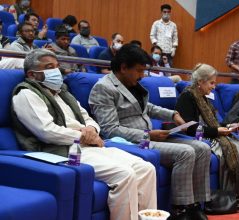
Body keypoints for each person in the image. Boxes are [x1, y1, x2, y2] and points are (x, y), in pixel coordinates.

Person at [11, 48, 157, 220]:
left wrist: (92, 130)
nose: (56, 71)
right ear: (32, 74)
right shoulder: (26, 94)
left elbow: (88, 118)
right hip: (63, 150)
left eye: (57, 66)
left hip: (89, 144)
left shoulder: (63, 93)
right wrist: (82, 135)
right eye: (49, 67)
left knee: (146, 169)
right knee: (124, 174)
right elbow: (46, 131)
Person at [89, 44, 210, 220]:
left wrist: (172, 113)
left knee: (202, 148)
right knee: (185, 152)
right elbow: (109, 130)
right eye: (139, 70)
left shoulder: (132, 83)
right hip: (133, 142)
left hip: (150, 136)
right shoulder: (104, 88)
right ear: (123, 67)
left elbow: (147, 108)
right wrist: (147, 135)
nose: (142, 75)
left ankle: (196, 205)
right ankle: (180, 210)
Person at [175, 63, 239, 204]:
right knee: (236, 149)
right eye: (211, 83)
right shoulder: (187, 97)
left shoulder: (203, 97)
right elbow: (190, 128)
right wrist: (217, 131)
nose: (214, 87)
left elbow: (212, 122)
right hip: (197, 137)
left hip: (210, 134)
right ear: (200, 82)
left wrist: (227, 127)